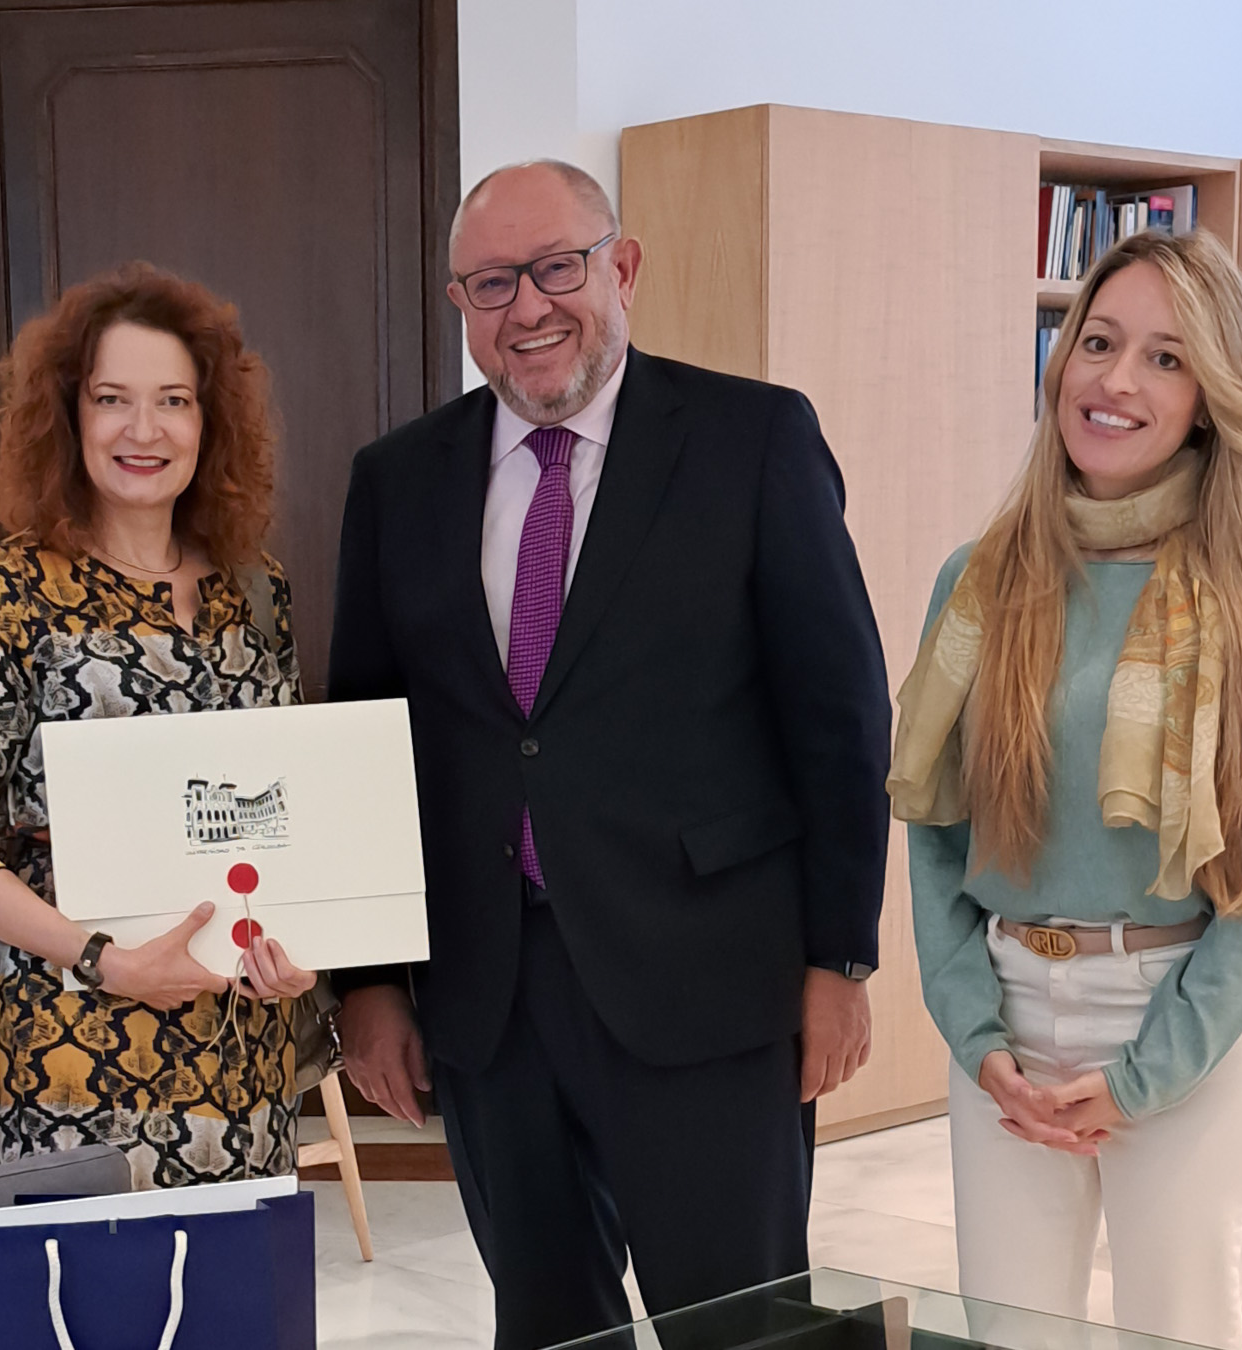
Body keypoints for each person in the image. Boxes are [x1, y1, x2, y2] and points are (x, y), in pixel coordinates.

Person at [326, 160, 892, 1347]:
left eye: (556, 268)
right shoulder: (398, 481)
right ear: (459, 304)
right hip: (489, 1000)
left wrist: (840, 961)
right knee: (544, 1324)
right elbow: (364, 742)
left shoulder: (753, 438)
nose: (528, 307)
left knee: (741, 1326)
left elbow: (839, 718)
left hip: (708, 984)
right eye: (492, 283)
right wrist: (369, 984)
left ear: (620, 267)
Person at [893, 229, 1242, 1350]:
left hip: (1191, 1021)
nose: (1114, 381)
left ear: (1211, 394)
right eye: (1096, 343)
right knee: (1012, 1335)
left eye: (1164, 358)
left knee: (1181, 1335)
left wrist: (1148, 1075)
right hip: (1008, 1025)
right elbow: (936, 839)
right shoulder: (982, 579)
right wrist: (974, 1031)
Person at [0, 263, 317, 1191]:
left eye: (173, 399)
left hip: (241, 1058)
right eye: (111, 400)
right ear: (67, 416)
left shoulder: (258, 591)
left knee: (242, 1317)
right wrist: (106, 960)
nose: (144, 429)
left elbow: (280, 816)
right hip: (73, 1063)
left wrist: (291, 942)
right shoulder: (8, 590)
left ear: (209, 422)